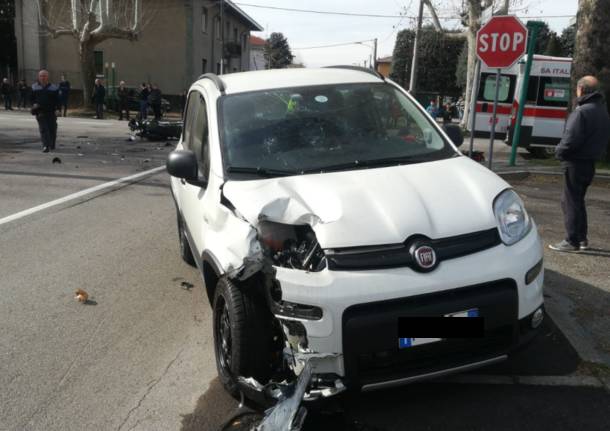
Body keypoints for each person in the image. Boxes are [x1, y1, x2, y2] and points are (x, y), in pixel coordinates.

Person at [549, 76, 610, 252]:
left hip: (575, 162)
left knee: (569, 201)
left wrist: (559, 151)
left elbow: (571, 138)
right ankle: (582, 239)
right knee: (577, 200)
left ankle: (572, 240)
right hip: (589, 161)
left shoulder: (582, 111)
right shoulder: (601, 110)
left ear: (581, 90)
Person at [30, 70, 61, 153]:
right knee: (43, 129)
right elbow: (31, 98)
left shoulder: (54, 88)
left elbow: (58, 100)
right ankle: (45, 145)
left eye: (44, 76)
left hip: (51, 111)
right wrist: (34, 104)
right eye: (41, 76)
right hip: (40, 111)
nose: (42, 77)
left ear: (48, 77)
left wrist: (58, 109)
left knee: (52, 129)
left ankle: (52, 144)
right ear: (38, 77)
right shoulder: (34, 87)